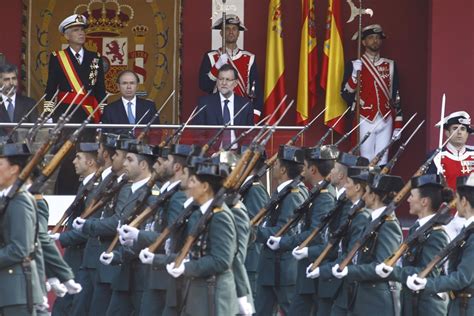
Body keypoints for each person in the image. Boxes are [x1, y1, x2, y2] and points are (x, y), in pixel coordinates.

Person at [266, 145, 338, 315]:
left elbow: (316, 233)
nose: (301, 170)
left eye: (304, 166)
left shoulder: (325, 197)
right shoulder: (318, 193)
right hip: (306, 271)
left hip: (314, 268)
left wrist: (285, 242)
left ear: (313, 169)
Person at [165, 160, 239, 315]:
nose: (189, 185)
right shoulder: (201, 212)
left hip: (213, 298)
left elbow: (222, 260)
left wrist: (187, 267)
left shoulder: (220, 216)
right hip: (198, 295)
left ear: (205, 187)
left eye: (193, 181)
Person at [375, 174, 452, 316]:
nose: (408, 200)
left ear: (424, 201)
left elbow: (427, 273)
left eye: (411, 196)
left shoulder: (437, 234)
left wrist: (392, 272)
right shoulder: (416, 228)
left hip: (427, 308)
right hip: (412, 303)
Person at [331, 173, 404, 316]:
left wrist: (349, 271)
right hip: (363, 298)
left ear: (374, 196)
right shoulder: (374, 220)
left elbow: (382, 266)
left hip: (376, 302)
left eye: (367, 192)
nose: (363, 197)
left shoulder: (388, 225)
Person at [406, 173, 474, 316]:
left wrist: (428, 284)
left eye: (457, 199)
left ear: (464, 201)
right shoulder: (467, 230)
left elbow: (462, 277)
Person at [254, 145, 309, 315]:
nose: (274, 166)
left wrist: (254, 232)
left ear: (284, 169)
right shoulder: (282, 192)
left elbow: (285, 231)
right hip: (270, 269)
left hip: (283, 269)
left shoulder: (293, 194)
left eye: (277, 164)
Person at [341, 24, 403, 165]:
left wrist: (398, 123)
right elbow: (345, 94)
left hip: (386, 117)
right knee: (365, 158)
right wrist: (354, 76)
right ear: (363, 42)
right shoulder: (354, 64)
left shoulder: (390, 65)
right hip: (364, 117)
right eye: (371, 38)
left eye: (377, 38)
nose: (375, 40)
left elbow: (396, 95)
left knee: (383, 159)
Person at [49, 143, 99, 315]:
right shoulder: (85, 185)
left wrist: (62, 238)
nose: (74, 162)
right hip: (74, 255)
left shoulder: (94, 188)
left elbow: (88, 227)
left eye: (78, 158)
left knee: (70, 306)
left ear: (91, 162)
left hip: (80, 255)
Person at [0, 143, 43, 316]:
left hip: (16, 291)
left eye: (0, 164)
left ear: (13, 170)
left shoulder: (20, 201)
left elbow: (20, 248)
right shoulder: (8, 198)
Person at [198, 14, 262, 120]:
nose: (231, 32)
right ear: (221, 33)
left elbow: (256, 92)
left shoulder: (250, 58)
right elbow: (204, 85)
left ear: (238, 33)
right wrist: (217, 66)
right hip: (217, 111)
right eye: (227, 29)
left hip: (242, 111)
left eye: (234, 29)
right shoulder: (211, 56)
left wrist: (253, 117)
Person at [44, 14, 106, 124]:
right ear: (67, 36)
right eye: (76, 30)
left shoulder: (95, 57)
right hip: (65, 113)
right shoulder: (58, 57)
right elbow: (51, 88)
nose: (81, 33)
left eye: (82, 30)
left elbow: (100, 89)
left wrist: (103, 114)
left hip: (89, 114)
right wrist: (48, 114)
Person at [429, 110, 474, 239]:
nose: (459, 132)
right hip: (447, 216)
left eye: (463, 129)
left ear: (467, 134)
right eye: (455, 128)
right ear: (447, 132)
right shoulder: (436, 157)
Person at [194, 64, 254, 148]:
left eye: (228, 80)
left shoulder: (245, 104)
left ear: (236, 83)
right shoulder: (205, 103)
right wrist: (210, 153)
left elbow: (249, 135)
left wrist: (242, 155)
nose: (224, 83)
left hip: (238, 155)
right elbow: (198, 134)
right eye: (221, 79)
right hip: (212, 154)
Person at [101, 70, 158, 135]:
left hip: (143, 144)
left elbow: (156, 132)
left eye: (132, 83)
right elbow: (105, 135)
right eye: (124, 83)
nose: (128, 87)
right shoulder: (109, 110)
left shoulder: (149, 106)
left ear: (137, 86)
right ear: (118, 86)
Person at [0, 64, 38, 136]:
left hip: (22, 146)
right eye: (6, 79)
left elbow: (35, 132)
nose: (11, 83)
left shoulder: (30, 103)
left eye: (14, 78)